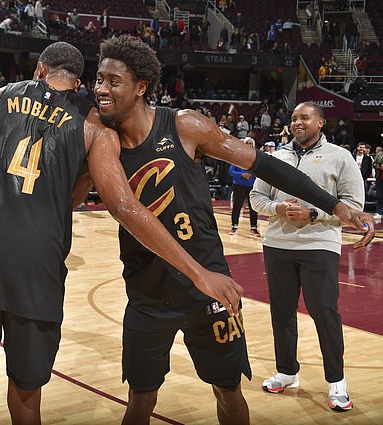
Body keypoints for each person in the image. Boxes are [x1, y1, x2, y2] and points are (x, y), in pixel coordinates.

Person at [0, 41, 249, 425]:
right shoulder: (94, 126)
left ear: (40, 70)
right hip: (38, 266)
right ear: (79, 82)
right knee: (26, 394)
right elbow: (120, 205)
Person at [90, 35, 373, 425]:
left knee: (228, 390)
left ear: (141, 87)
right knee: (140, 398)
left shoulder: (185, 125)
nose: (100, 89)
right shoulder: (101, 140)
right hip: (147, 292)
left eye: (111, 81)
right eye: (98, 79)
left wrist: (336, 205)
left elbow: (266, 166)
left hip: (209, 289)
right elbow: (121, 209)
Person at [250, 102, 365, 412]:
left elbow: (353, 205)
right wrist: (278, 209)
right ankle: (287, 371)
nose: (297, 122)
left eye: (304, 117)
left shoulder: (340, 158)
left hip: (319, 246)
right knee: (282, 313)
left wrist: (312, 214)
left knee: (325, 312)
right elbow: (256, 197)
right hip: (277, 245)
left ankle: (337, 382)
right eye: (294, 118)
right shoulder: (274, 157)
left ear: (321, 122)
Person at [229, 137, 260, 237]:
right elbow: (231, 171)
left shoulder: (256, 157)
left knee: (253, 207)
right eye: (247, 143)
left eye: (251, 143)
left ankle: (254, 227)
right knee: (237, 207)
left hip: (252, 186)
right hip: (239, 185)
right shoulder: (237, 156)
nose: (249, 145)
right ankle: (234, 226)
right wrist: (242, 174)